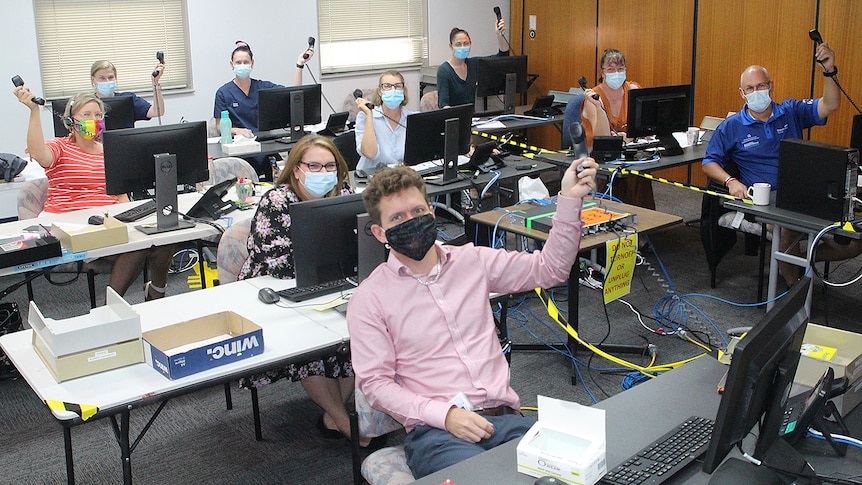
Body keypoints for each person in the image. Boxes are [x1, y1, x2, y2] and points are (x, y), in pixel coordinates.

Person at [346, 156, 598, 478]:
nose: (411, 221)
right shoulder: (370, 299)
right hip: (437, 432)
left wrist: (569, 201)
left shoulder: (472, 261)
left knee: (575, 470)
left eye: (418, 212)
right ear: (381, 233)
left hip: (505, 420)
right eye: (398, 217)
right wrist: (445, 415)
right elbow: (376, 385)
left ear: (432, 213)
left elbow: (550, 269)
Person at [236, 134, 373, 445]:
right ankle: (343, 420)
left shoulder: (345, 193)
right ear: (296, 169)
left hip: (333, 282)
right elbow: (274, 260)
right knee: (311, 347)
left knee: (364, 334)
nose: (323, 172)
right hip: (277, 287)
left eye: (330, 166)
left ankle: (331, 414)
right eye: (314, 165)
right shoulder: (277, 200)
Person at [701, 42, 861, 284]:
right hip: (767, 203)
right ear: (742, 93)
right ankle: (793, 291)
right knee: (787, 232)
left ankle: (792, 260)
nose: (757, 92)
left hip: (803, 195)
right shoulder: (732, 126)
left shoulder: (791, 111)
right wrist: (731, 181)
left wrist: (829, 70)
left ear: (771, 86)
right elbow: (709, 162)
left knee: (854, 243)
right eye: (750, 88)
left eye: (761, 86)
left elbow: (830, 105)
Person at [13, 90, 173, 300]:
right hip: (68, 224)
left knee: (165, 239)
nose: (94, 120)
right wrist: (34, 111)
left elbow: (120, 194)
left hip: (107, 221)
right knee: (136, 248)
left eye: (98, 115)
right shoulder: (60, 147)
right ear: (71, 120)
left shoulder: (109, 150)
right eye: (86, 115)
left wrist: (134, 220)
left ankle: (155, 292)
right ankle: (111, 308)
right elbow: (38, 152)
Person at [213, 40, 314, 181]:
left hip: (265, 145)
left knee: (283, 174)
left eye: (246, 62)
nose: (242, 66)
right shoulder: (223, 93)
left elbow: (294, 93)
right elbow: (219, 126)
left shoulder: (263, 87)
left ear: (252, 63)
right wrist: (238, 130)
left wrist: (299, 65)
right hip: (241, 150)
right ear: (232, 65)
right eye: (238, 62)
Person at [581, 48, 655, 209]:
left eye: (620, 69)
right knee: (625, 175)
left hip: (629, 151)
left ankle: (645, 224)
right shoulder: (593, 96)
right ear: (602, 72)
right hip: (597, 155)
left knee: (641, 171)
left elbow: (644, 128)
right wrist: (599, 107)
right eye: (611, 69)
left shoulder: (633, 89)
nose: (616, 73)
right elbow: (603, 137)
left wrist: (625, 136)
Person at [436, 19, 509, 108]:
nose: (462, 47)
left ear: (470, 43)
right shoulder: (444, 71)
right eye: (458, 44)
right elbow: (443, 105)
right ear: (451, 46)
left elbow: (502, 57)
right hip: (454, 119)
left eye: (466, 43)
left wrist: (500, 36)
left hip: (472, 118)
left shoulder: (473, 64)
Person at [354, 70, 412, 171]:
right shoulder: (364, 116)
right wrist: (369, 115)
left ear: (404, 91)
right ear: (380, 91)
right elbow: (370, 153)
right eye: (387, 86)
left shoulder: (412, 118)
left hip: (403, 176)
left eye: (398, 86)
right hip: (372, 177)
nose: (393, 90)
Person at [90, 59, 166, 121]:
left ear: (115, 77)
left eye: (110, 77)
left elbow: (157, 112)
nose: (107, 81)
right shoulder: (87, 103)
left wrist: (155, 84)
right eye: (102, 78)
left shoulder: (127, 99)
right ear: (93, 80)